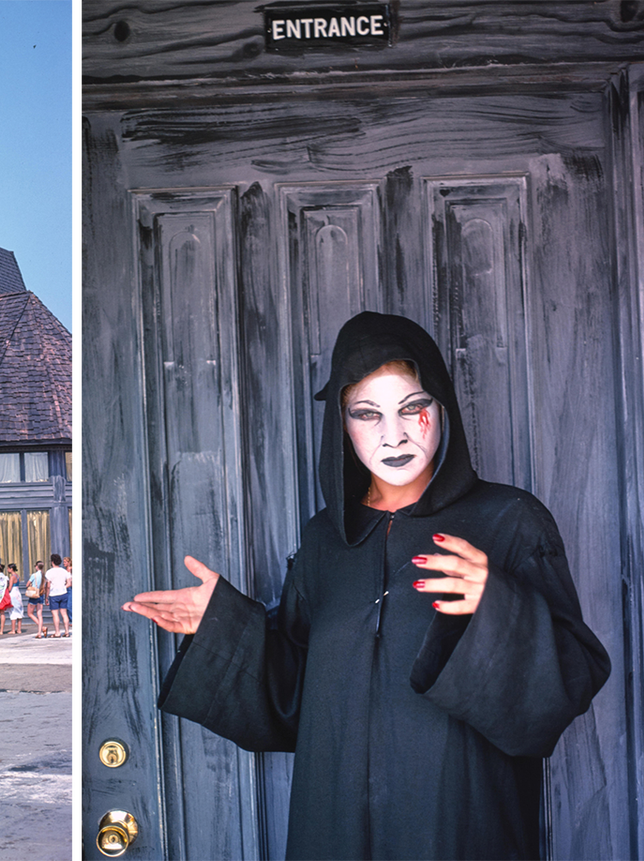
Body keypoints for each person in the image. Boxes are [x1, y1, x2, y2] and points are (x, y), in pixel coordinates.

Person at [123, 311, 611, 861]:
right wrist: (223, 626)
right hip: (335, 827)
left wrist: (496, 603)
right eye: (367, 414)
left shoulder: (511, 521)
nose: (393, 434)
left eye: (412, 408)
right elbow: (295, 697)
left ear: (441, 407)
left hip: (459, 828)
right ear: (343, 425)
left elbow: (569, 684)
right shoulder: (325, 541)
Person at [43, 554, 73, 638]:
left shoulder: (49, 572)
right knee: (64, 613)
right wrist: (63, 587)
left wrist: (46, 597)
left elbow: (48, 586)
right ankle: (67, 632)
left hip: (54, 594)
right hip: (63, 593)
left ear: (52, 562)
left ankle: (57, 632)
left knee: (55, 614)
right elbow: (69, 583)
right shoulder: (64, 571)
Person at [27, 561, 47, 638]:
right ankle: (39, 632)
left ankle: (42, 628)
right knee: (40, 615)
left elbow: (27, 584)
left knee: (30, 613)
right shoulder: (43, 575)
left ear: (36, 567)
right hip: (41, 594)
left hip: (34, 595)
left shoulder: (34, 575)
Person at [7, 563, 24, 634]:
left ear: (11, 569)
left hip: (13, 593)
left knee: (13, 610)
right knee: (19, 610)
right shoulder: (18, 576)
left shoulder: (12, 577)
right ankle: (19, 629)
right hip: (18, 592)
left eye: (8, 568)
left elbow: (10, 588)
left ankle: (13, 630)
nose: (7, 570)